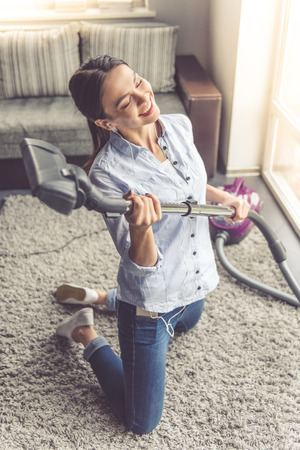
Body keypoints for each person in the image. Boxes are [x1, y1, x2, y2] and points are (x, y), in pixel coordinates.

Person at [55, 55, 250, 435]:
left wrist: (221, 197)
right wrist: (141, 228)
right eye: (125, 102)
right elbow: (140, 263)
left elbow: (190, 187)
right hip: (151, 303)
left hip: (192, 286)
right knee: (141, 421)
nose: (143, 97)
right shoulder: (108, 176)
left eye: (138, 82)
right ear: (105, 122)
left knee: (190, 319)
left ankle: (101, 296)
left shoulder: (179, 124)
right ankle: (84, 331)